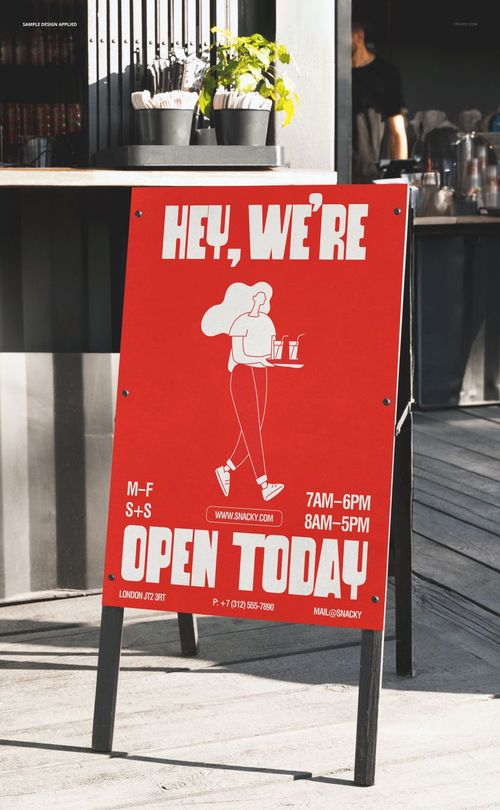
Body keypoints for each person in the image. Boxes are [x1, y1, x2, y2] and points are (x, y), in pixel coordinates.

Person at [201, 282, 285, 502]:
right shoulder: (241, 322)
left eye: (264, 296)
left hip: (261, 373)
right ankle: (264, 484)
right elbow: (238, 355)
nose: (261, 298)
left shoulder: (267, 322)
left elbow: (273, 348)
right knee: (251, 430)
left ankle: (226, 469)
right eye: (257, 295)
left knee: (253, 428)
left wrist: (277, 359)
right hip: (242, 374)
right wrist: (260, 360)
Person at [351, 14, 408, 183]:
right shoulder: (334, 73)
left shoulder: (385, 73)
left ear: (359, 36)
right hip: (333, 174)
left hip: (368, 176)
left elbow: (397, 132)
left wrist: (398, 179)